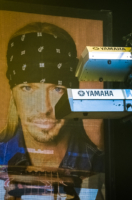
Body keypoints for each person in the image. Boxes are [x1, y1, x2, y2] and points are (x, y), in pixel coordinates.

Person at [0, 22, 104, 199]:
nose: (44, 108)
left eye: (57, 88)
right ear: (13, 93)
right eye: (27, 88)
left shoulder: (99, 165)